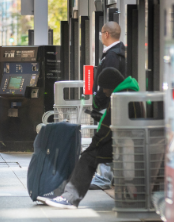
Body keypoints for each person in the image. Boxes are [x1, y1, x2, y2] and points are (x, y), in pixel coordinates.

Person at [44, 68, 139, 209]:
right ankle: (65, 194)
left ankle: (69, 198)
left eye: (104, 88)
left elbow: (107, 130)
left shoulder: (119, 98)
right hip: (130, 142)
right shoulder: (130, 92)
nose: (103, 92)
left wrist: (94, 145)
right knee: (90, 154)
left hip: (123, 144)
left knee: (88, 156)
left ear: (111, 84)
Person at [94, 21, 127, 110]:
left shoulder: (112, 56)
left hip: (106, 107)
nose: (101, 36)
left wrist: (97, 103)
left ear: (106, 34)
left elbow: (107, 83)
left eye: (102, 33)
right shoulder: (118, 52)